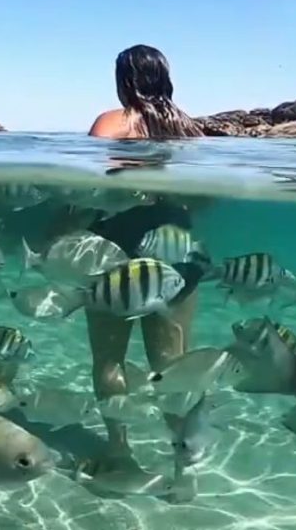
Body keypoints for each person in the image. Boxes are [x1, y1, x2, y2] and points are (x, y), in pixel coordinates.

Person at [85, 44, 205, 461]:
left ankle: (118, 454)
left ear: (124, 81)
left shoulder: (111, 123)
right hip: (177, 254)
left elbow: (90, 184)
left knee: (108, 360)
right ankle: (183, 467)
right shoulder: (190, 131)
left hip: (114, 253)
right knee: (174, 366)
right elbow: (204, 198)